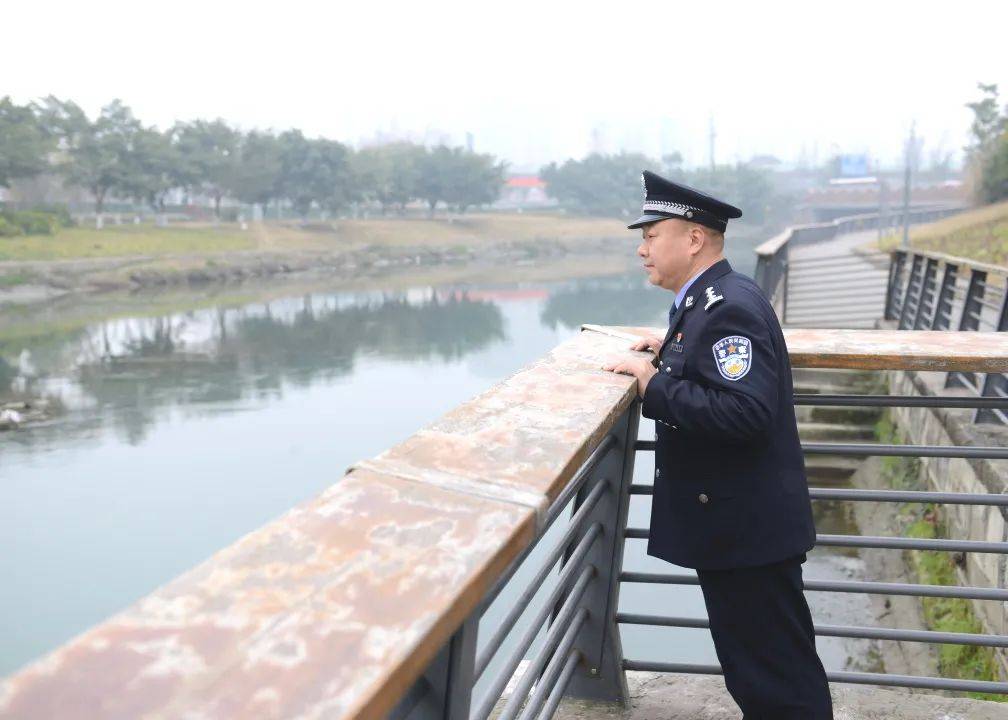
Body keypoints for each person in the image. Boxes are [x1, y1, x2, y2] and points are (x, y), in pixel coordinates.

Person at [603, 170, 833, 719]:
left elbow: (746, 411)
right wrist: (669, 349)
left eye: (651, 234)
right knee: (759, 670)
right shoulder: (708, 301)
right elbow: (716, 373)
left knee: (776, 678)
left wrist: (652, 382)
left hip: (748, 532)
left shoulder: (727, 306)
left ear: (693, 239)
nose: (642, 248)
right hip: (742, 527)